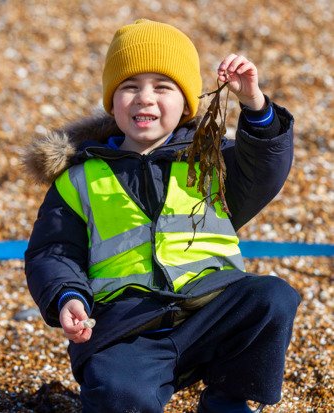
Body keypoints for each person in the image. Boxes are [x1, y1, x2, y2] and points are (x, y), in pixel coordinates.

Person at [24, 19, 301, 413]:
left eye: (163, 87)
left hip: (212, 309)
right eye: (130, 86)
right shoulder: (79, 178)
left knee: (272, 298)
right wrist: (67, 295)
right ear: (112, 101)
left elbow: (265, 169)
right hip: (127, 327)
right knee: (118, 394)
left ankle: (228, 400)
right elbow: (52, 252)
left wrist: (254, 104)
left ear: (186, 102)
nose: (144, 98)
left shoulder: (211, 159)